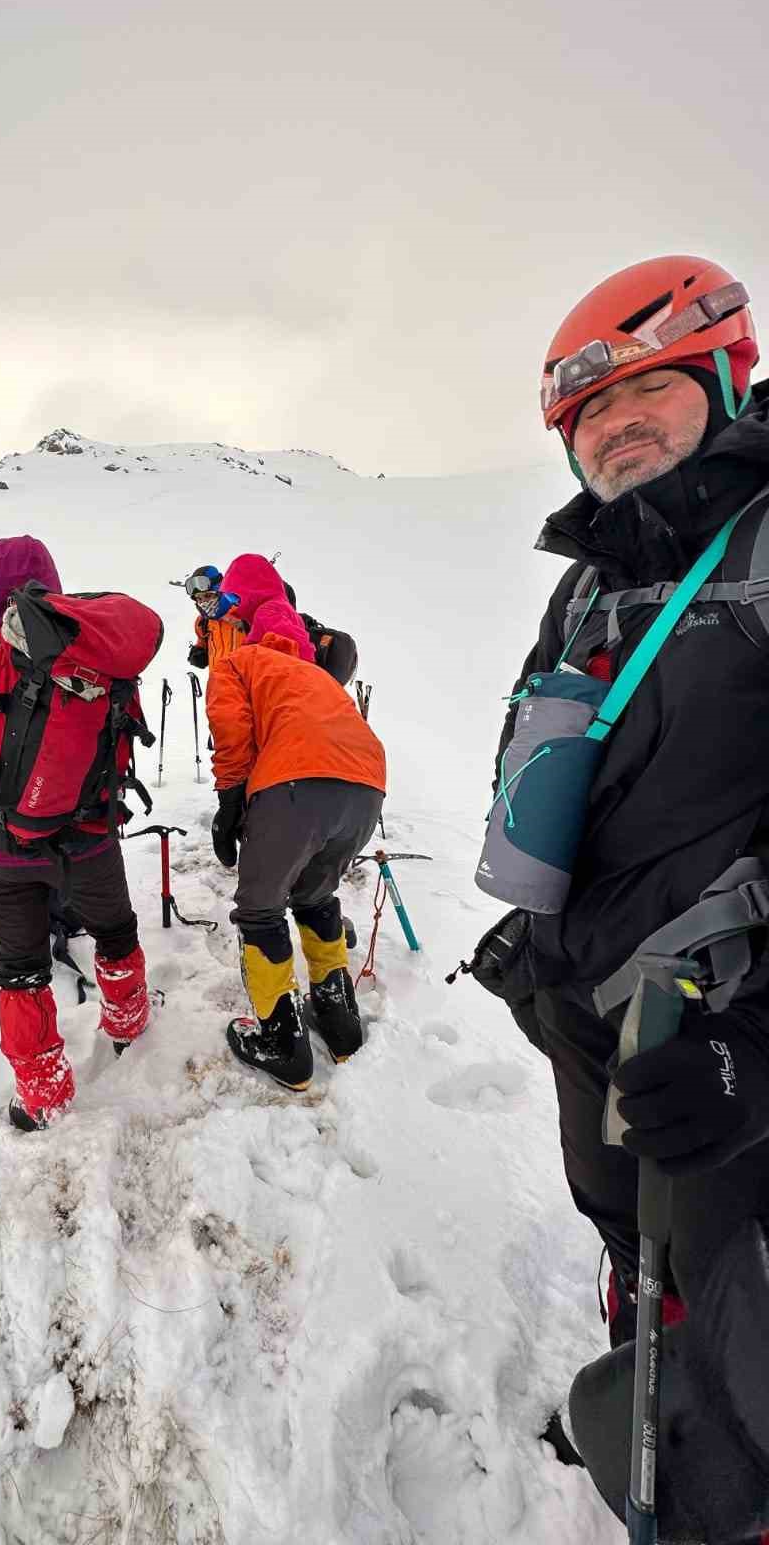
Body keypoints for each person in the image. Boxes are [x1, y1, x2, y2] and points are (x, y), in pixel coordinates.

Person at [500, 255, 769, 1539]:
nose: (613, 428)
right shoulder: (590, 583)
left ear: (728, 371)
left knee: (751, 1353)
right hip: (604, 1021)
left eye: (644, 392)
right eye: (586, 417)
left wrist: (758, 1056)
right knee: (634, 1243)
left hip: (732, 1051)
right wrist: (541, 942)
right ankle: (650, 1396)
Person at [0, 537, 152, 1131]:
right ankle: (129, 1025)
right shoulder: (95, 655)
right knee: (115, 930)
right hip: (89, 838)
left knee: (21, 967)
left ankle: (43, 1090)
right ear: (54, 580)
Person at [206, 553, 385, 1089]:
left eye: (234, 612)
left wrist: (229, 803)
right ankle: (339, 1021)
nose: (230, 623)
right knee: (314, 898)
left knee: (260, 912)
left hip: (297, 787)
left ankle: (282, 1045)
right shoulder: (316, 672)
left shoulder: (239, 664)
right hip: (367, 786)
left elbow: (233, 734)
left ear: (244, 613)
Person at [185, 564, 245, 670]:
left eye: (208, 596)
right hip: (218, 683)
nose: (204, 603)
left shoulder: (246, 615)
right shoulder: (202, 622)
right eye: (199, 598)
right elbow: (203, 642)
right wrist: (200, 651)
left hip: (250, 683)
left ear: (221, 592)